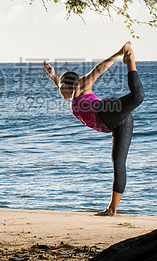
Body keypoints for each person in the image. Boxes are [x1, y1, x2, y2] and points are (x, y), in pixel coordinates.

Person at [42, 42, 144, 216]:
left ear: (66, 86)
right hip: (116, 123)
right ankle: (112, 210)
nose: (59, 92)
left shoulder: (81, 85)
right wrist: (53, 76)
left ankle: (130, 59)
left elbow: (98, 69)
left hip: (106, 111)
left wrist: (118, 53)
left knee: (138, 96)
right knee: (118, 164)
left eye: (59, 88)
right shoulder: (71, 91)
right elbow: (61, 85)